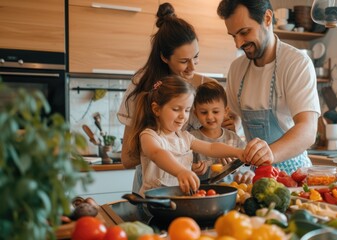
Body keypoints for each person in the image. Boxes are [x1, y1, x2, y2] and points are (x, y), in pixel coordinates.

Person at [117, 2, 216, 192]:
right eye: (184, 61)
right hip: (152, 183)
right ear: (164, 57)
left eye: (196, 57)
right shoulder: (142, 84)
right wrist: (171, 157)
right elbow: (128, 158)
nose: (193, 67)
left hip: (185, 183)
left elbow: (204, 141)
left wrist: (195, 158)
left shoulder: (200, 84)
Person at [217, 0, 321, 174]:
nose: (238, 44)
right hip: (254, 175)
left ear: (267, 18)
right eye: (233, 35)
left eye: (244, 32)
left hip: (294, 175)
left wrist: (269, 153)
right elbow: (234, 115)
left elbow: (308, 130)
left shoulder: (296, 63)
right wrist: (230, 126)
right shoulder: (237, 68)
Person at [128, 76, 244, 194]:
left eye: (187, 110)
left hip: (179, 202)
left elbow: (211, 147)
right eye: (176, 109)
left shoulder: (185, 137)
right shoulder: (149, 136)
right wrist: (180, 171)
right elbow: (157, 153)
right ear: (156, 109)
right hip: (152, 205)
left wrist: (238, 152)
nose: (183, 116)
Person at [190, 81, 254, 184]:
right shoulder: (192, 138)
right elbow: (182, 166)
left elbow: (246, 166)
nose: (210, 117)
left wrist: (246, 172)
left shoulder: (233, 138)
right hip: (203, 193)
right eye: (203, 112)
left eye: (215, 112)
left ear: (225, 111)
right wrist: (193, 169)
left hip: (232, 191)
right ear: (196, 113)